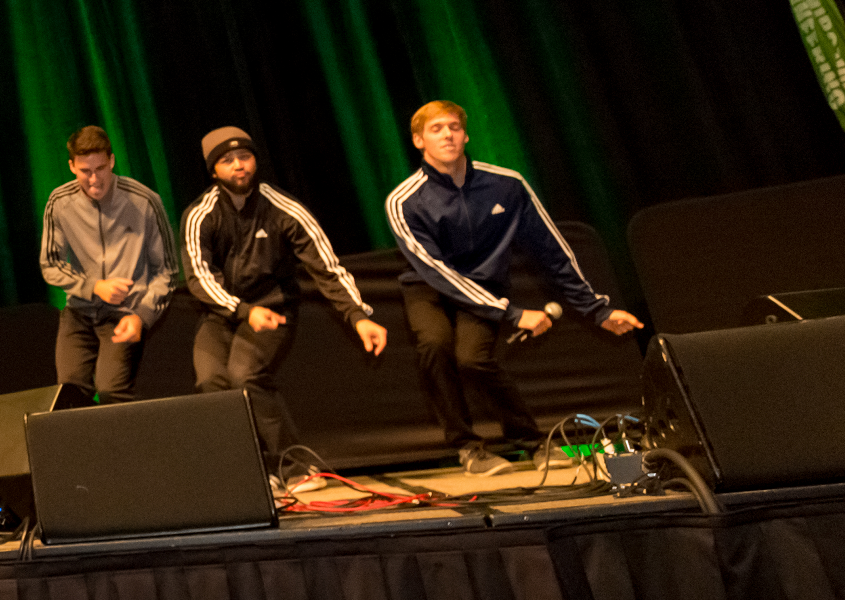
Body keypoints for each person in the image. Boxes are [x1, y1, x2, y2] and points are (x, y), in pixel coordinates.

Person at [387, 100, 642, 477]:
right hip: (430, 289)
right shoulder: (404, 200)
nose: (447, 135)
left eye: (454, 127)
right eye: (437, 129)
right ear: (418, 140)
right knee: (435, 345)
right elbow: (435, 269)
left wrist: (597, 310)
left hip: (485, 288)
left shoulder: (506, 184)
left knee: (473, 360)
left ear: (466, 134)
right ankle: (468, 448)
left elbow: (552, 251)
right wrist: (513, 313)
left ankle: (530, 441)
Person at [183, 126, 387, 494]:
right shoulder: (201, 214)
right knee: (210, 381)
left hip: (272, 310)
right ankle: (255, 471)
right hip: (222, 313)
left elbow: (326, 266)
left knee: (245, 376)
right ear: (214, 171)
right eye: (227, 161)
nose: (239, 166)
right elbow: (199, 277)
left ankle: (295, 466)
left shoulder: (282, 207)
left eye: (244, 157)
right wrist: (243, 311)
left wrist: (358, 316)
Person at [39, 126, 179, 404]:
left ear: (112, 161)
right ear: (71, 166)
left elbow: (168, 271)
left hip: (123, 312)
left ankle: (131, 447)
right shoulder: (59, 201)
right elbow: (50, 263)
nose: (94, 180)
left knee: (111, 388)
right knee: (68, 390)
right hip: (79, 312)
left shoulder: (144, 201)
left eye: (101, 169)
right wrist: (94, 287)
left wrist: (141, 315)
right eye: (85, 171)